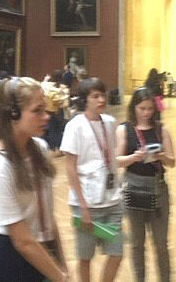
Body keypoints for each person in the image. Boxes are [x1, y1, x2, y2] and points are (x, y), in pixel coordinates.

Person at [0, 77, 68, 282]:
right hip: (11, 260)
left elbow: (47, 215)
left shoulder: (40, 148)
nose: (46, 116)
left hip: (42, 250)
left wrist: (61, 263)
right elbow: (22, 241)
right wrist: (60, 277)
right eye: (37, 110)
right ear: (13, 114)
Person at [61, 77, 124, 282]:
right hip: (87, 204)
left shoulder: (110, 122)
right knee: (85, 257)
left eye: (103, 95)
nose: (101, 100)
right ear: (84, 99)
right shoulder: (75, 126)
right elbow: (70, 167)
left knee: (116, 253)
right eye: (95, 96)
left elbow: (111, 157)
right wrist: (83, 207)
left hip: (112, 201)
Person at [116, 87, 176, 282]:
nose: (146, 113)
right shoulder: (124, 129)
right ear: (134, 107)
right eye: (142, 108)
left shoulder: (161, 129)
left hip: (158, 188)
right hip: (134, 187)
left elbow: (172, 162)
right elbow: (116, 160)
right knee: (136, 243)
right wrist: (134, 157)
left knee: (161, 243)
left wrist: (160, 156)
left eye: (150, 108)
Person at [41, 69, 70, 153]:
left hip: (48, 110)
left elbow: (40, 87)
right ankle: (58, 148)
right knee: (58, 129)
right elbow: (66, 103)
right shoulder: (64, 88)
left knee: (50, 129)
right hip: (59, 111)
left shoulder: (45, 85)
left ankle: (51, 148)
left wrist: (45, 79)